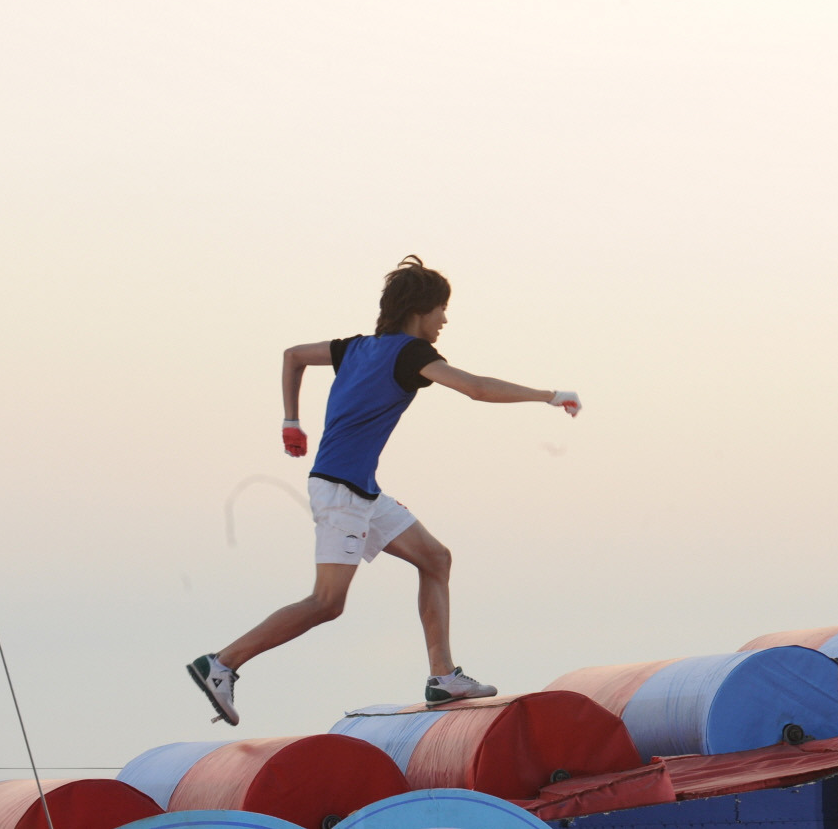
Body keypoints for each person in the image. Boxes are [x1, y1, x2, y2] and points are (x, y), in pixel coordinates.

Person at [187, 256, 581, 725]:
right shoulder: (410, 354)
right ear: (419, 310)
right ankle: (222, 662)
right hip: (341, 493)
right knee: (327, 603)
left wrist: (291, 420)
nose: (445, 319)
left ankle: (443, 676)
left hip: (361, 490)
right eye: (441, 309)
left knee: (435, 559)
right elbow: (475, 388)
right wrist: (548, 395)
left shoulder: (355, 347)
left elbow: (293, 355)